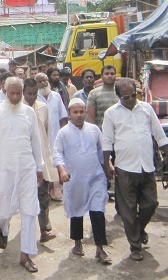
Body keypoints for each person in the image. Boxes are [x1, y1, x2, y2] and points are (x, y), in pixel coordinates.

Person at [0, 77, 44, 273]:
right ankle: (4, 228)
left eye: (19, 93)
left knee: (29, 210)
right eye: (12, 93)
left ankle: (26, 254)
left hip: (26, 169)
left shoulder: (29, 113)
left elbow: (36, 141)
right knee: (3, 210)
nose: (16, 97)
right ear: (5, 92)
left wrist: (39, 167)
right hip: (3, 169)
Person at [102, 78, 168, 261]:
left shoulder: (146, 109)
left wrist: (166, 154)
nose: (131, 99)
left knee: (150, 203)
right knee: (127, 209)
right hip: (124, 168)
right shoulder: (111, 114)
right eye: (126, 97)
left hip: (146, 166)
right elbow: (106, 142)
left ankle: (139, 229)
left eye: (133, 95)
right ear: (119, 97)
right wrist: (107, 164)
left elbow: (159, 134)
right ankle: (135, 246)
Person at [53, 98, 111, 264]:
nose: (79, 115)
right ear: (69, 114)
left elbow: (102, 151)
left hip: (95, 177)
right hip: (75, 179)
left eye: (81, 111)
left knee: (98, 210)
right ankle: (78, 243)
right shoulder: (63, 133)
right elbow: (57, 153)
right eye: (75, 112)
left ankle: (100, 248)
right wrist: (62, 170)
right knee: (76, 210)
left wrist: (109, 166)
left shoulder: (94, 130)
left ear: (85, 112)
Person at [22, 78, 58, 243]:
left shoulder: (43, 108)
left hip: (41, 160)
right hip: (23, 160)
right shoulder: (17, 109)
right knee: (24, 199)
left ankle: (44, 229)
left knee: (43, 196)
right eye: (29, 94)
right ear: (23, 93)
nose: (32, 97)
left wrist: (49, 161)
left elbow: (46, 135)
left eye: (34, 94)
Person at [35, 72, 68, 201]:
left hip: (56, 136)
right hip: (42, 138)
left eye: (45, 80)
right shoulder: (35, 98)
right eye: (40, 81)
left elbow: (63, 118)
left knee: (56, 162)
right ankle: (45, 191)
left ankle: (56, 189)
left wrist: (64, 135)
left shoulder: (56, 97)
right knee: (44, 165)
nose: (43, 83)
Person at [87, 65, 118, 130]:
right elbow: (91, 118)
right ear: (102, 77)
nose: (110, 76)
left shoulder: (121, 92)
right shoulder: (93, 93)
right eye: (107, 74)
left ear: (115, 76)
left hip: (118, 132)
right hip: (101, 133)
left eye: (112, 74)